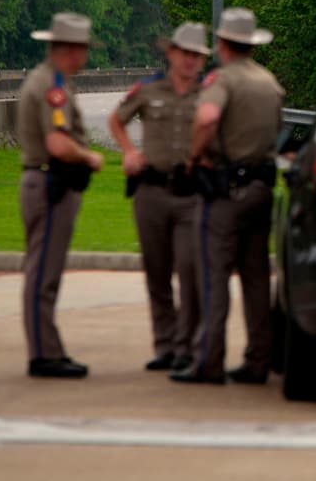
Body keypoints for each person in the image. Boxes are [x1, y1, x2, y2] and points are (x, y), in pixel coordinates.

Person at [171, 8, 284, 386]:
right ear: (251, 45)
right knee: (255, 277)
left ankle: (209, 360)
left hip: (224, 190)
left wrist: (193, 157)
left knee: (213, 275)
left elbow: (205, 118)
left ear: (221, 44)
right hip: (261, 189)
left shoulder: (222, 79)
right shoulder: (269, 82)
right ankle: (258, 359)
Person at [108, 22, 210, 373]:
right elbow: (117, 119)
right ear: (171, 54)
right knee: (157, 272)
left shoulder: (208, 93)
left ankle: (186, 347)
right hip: (151, 192)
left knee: (189, 270)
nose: (190, 61)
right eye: (185, 54)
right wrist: (128, 152)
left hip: (189, 194)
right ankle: (165, 346)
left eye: (197, 55)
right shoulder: (150, 89)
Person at [17, 12, 105, 378]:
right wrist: (89, 156)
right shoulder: (52, 87)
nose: (83, 57)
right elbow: (56, 143)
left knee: (45, 270)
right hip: (50, 185)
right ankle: (43, 353)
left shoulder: (50, 82)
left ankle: (48, 348)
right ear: (68, 49)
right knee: (43, 273)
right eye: (81, 49)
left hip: (45, 183)